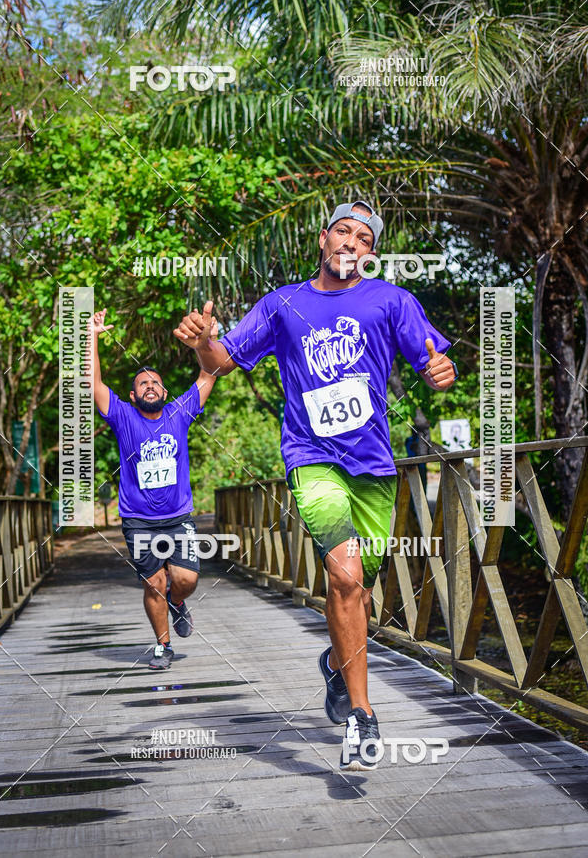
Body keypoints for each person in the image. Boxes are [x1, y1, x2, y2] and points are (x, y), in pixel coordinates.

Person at [173, 200, 457, 768]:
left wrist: (441, 375)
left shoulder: (392, 300)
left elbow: (434, 367)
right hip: (312, 458)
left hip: (375, 466)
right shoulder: (284, 304)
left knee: (359, 591)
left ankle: (336, 663)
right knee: (345, 574)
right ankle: (363, 715)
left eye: (364, 238)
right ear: (324, 240)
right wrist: (203, 341)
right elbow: (223, 358)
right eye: (343, 232)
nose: (351, 243)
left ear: (371, 252)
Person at [89, 308, 216, 670]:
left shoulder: (180, 412)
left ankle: (179, 602)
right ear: (132, 395)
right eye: (143, 383)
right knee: (154, 582)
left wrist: (203, 341)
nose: (150, 386)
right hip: (138, 520)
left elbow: (210, 373)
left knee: (186, 579)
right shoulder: (122, 416)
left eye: (155, 383)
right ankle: (163, 646)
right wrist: (92, 337)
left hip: (177, 517)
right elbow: (94, 384)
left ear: (164, 391)